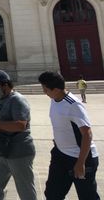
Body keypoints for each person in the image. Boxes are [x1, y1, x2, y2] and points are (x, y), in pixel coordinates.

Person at [38, 71, 100, 200]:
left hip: (80, 157)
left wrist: (80, 163)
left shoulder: (73, 104)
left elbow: (87, 134)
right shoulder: (55, 99)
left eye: (45, 89)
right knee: (53, 193)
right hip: (60, 155)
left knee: (87, 196)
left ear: (55, 89)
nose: (44, 92)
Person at [0, 70, 37, 200]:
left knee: (25, 189)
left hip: (18, 152)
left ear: (5, 85)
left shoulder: (17, 100)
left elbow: (21, 125)